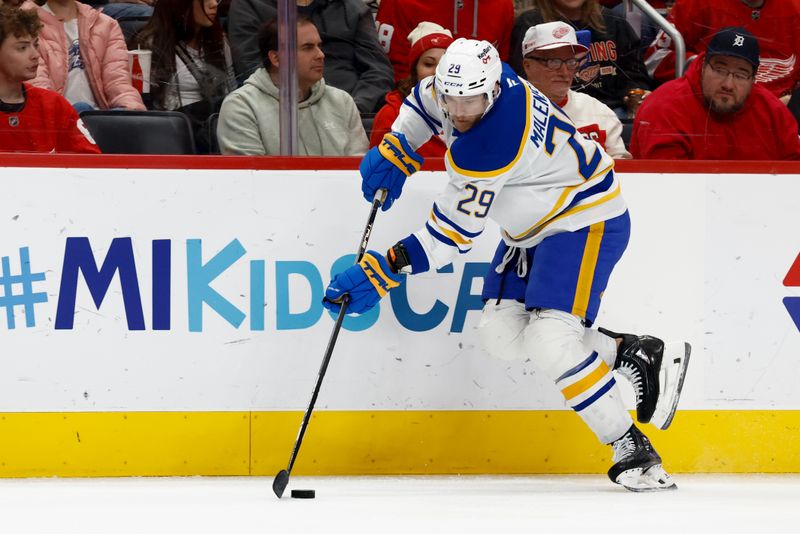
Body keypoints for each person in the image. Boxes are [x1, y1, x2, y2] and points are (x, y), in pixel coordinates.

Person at [322, 38, 690, 492]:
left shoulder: (492, 144)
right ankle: (631, 352)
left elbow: (451, 234)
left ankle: (630, 447)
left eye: (470, 101)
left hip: (582, 219)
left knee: (550, 339)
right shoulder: (468, 82)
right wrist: (399, 143)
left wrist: (385, 269)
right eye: (451, 97)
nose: (458, 111)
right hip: (530, 228)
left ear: (494, 91)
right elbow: (422, 101)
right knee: (502, 335)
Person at [632, 26, 800, 160]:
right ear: (703, 66)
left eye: (741, 75)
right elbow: (666, 185)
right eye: (720, 70)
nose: (728, 84)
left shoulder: (773, 112)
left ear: (753, 79)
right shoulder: (664, 107)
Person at [217, 16, 368, 156]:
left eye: (319, 46)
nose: (320, 54)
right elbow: (252, 177)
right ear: (276, 58)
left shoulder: (342, 101)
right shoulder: (241, 106)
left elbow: (360, 171)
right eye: (308, 47)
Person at [228, 0, 393, 114]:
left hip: (353, 111)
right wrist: (304, 106)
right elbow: (250, 67)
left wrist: (354, 107)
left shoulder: (351, 8)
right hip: (281, 113)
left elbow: (378, 70)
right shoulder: (250, 5)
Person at [510, 0, 651, 119]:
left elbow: (634, 74)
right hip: (554, 111)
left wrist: (634, 95)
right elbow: (523, 79)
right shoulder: (531, 25)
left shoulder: (613, 21)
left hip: (612, 110)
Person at [645, 0, 800, 102]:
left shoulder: (795, 9)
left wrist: (792, 102)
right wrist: (708, 71)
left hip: (781, 112)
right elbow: (655, 59)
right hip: (710, 106)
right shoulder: (696, 3)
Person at [137, 0, 237, 154]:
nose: (214, 4)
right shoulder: (151, 44)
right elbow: (147, 104)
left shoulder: (219, 41)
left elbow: (231, 89)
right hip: (174, 133)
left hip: (214, 131)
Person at [0, 3, 100, 153]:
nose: (35, 55)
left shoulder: (54, 104)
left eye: (35, 45)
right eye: (22, 48)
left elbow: (91, 163)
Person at [522, 20, 630, 158]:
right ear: (527, 65)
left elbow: (622, 169)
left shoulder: (597, 111)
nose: (564, 72)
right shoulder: (507, 114)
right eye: (553, 62)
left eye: (571, 62)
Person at [23, 0, 145, 112]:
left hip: (99, 119)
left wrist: (132, 110)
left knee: (126, 114)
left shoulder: (106, 24)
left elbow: (118, 81)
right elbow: (38, 87)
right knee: (82, 108)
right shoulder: (26, 24)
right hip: (58, 120)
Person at [376, 0, 514, 83]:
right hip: (414, 110)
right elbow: (390, 73)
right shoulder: (399, 3)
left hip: (481, 110)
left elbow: (499, 70)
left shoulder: (503, 5)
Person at [369, 21, 453, 157]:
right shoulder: (391, 115)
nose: (438, 71)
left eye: (445, 64)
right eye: (429, 64)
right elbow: (379, 169)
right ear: (414, 71)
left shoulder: (475, 111)